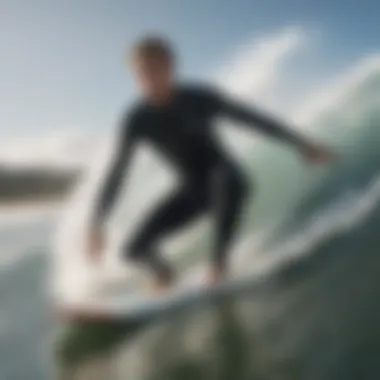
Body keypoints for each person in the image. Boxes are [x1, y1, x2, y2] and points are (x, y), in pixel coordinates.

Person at [87, 35, 334, 292]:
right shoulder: (136, 119)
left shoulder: (198, 97)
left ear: (170, 67)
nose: (148, 79)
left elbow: (251, 118)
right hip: (192, 191)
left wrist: (301, 143)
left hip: (225, 179)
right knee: (132, 250)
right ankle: (165, 276)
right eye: (141, 74)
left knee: (228, 181)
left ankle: (220, 264)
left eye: (154, 69)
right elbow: (118, 172)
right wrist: (96, 224)